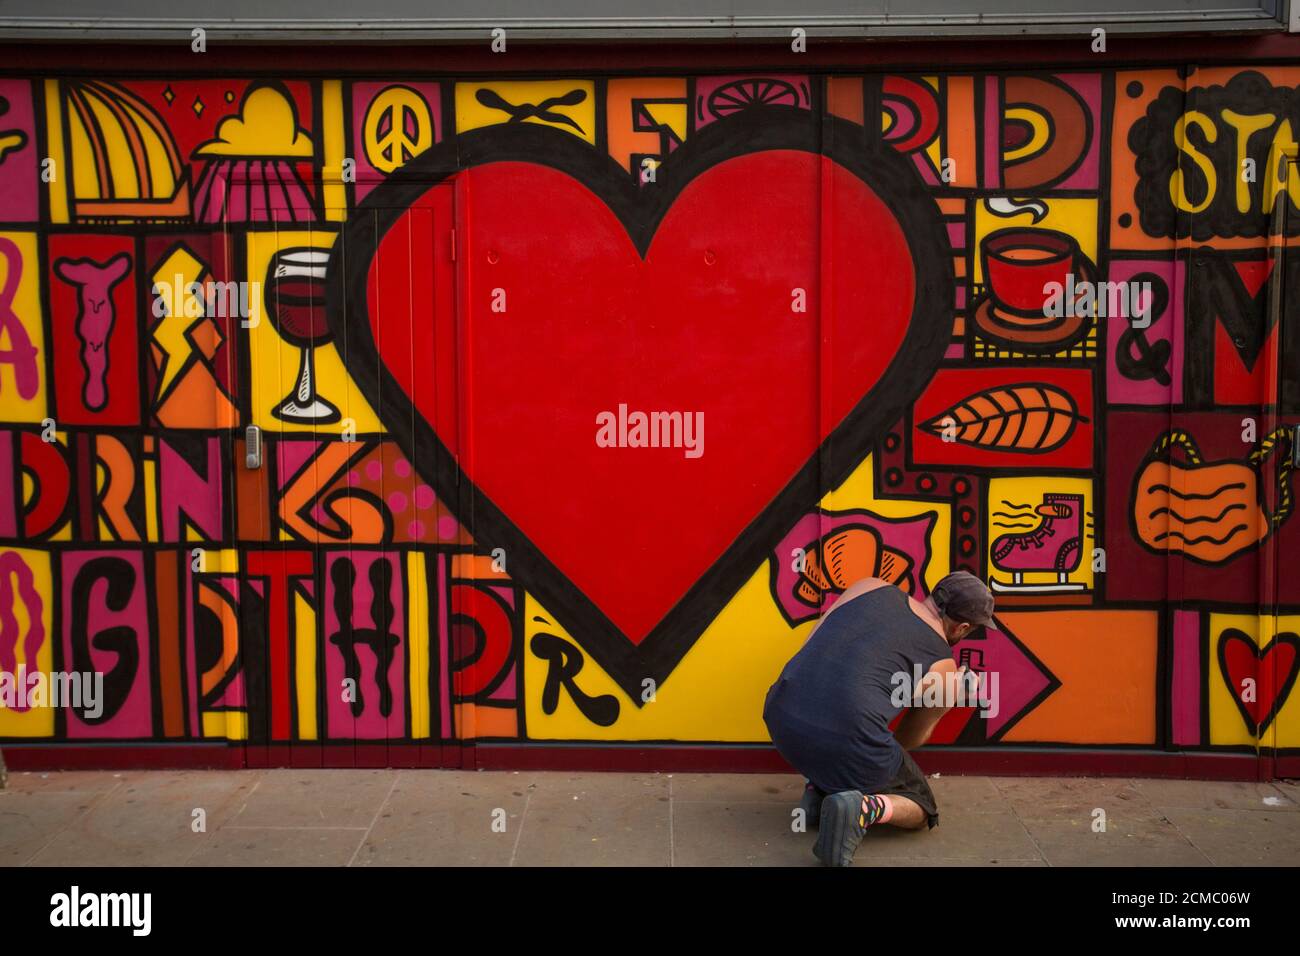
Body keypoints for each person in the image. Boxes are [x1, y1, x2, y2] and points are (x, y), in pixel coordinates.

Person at [762, 570, 995, 867]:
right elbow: (907, 741)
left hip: (781, 714)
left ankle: (818, 789)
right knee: (922, 806)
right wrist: (950, 697)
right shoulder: (943, 668)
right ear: (962, 627)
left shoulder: (868, 586)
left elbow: (813, 644)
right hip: (840, 742)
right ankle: (862, 809)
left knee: (846, 728)